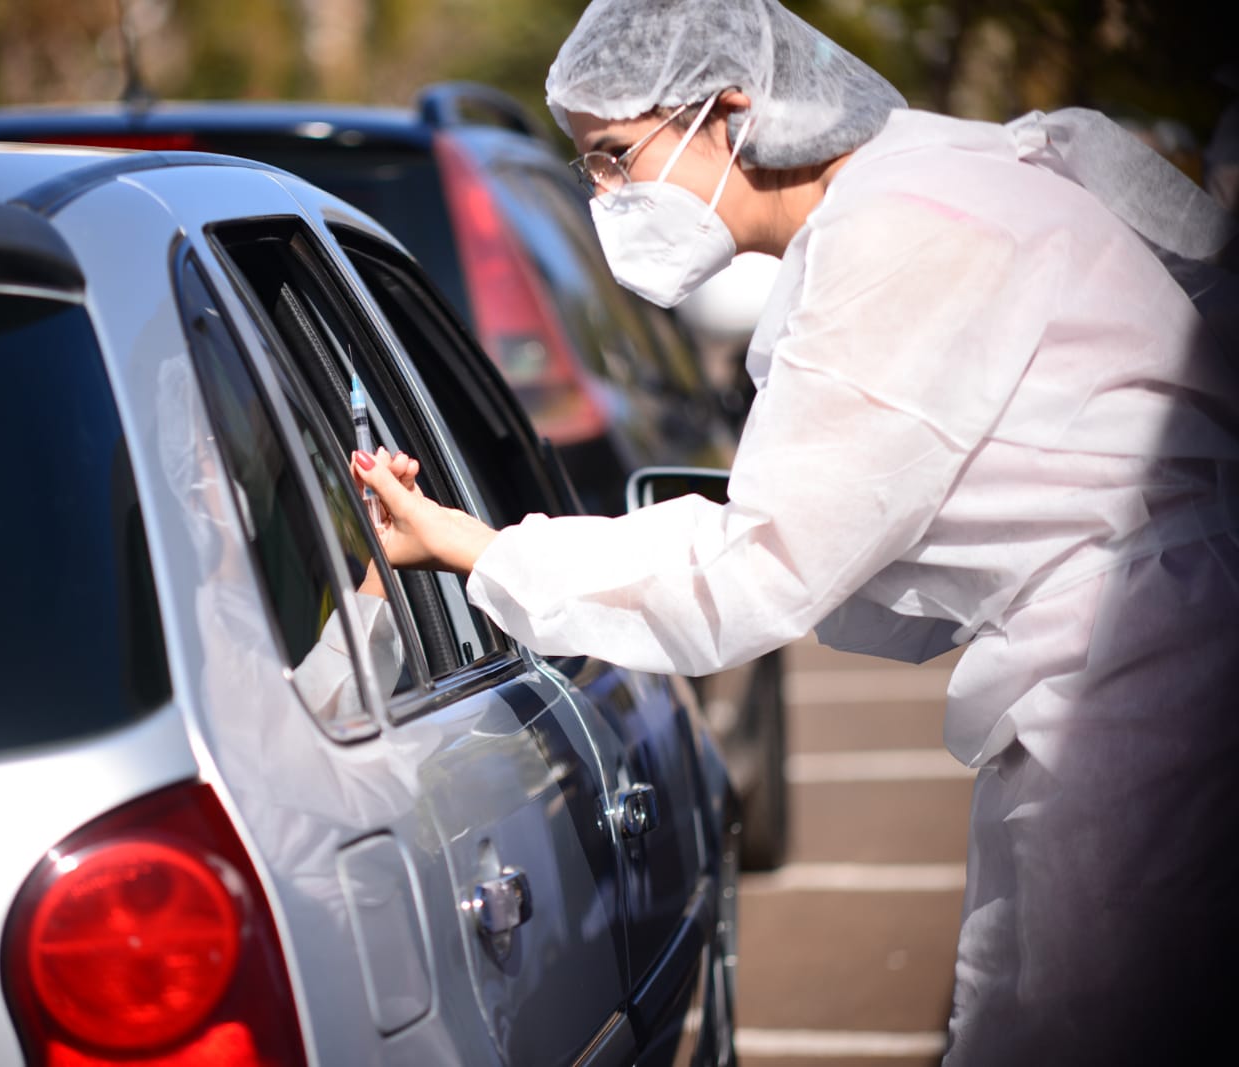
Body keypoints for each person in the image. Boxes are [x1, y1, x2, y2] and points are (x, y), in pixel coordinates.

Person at [351, 1, 1239, 1063]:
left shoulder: (904, 234)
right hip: (1139, 656)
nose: (603, 197)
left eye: (611, 157)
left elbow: (759, 562)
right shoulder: (924, 190)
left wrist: (476, 547)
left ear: (729, 111)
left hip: (1145, 681)